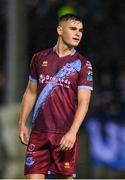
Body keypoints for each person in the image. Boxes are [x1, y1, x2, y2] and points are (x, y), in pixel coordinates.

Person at [19, 13, 93, 179]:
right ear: (60, 30)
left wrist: (73, 132)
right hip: (38, 134)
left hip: (64, 135)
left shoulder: (83, 64)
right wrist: (22, 122)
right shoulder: (39, 58)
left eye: (80, 30)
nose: (78, 33)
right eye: (73, 29)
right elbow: (30, 92)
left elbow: (84, 102)